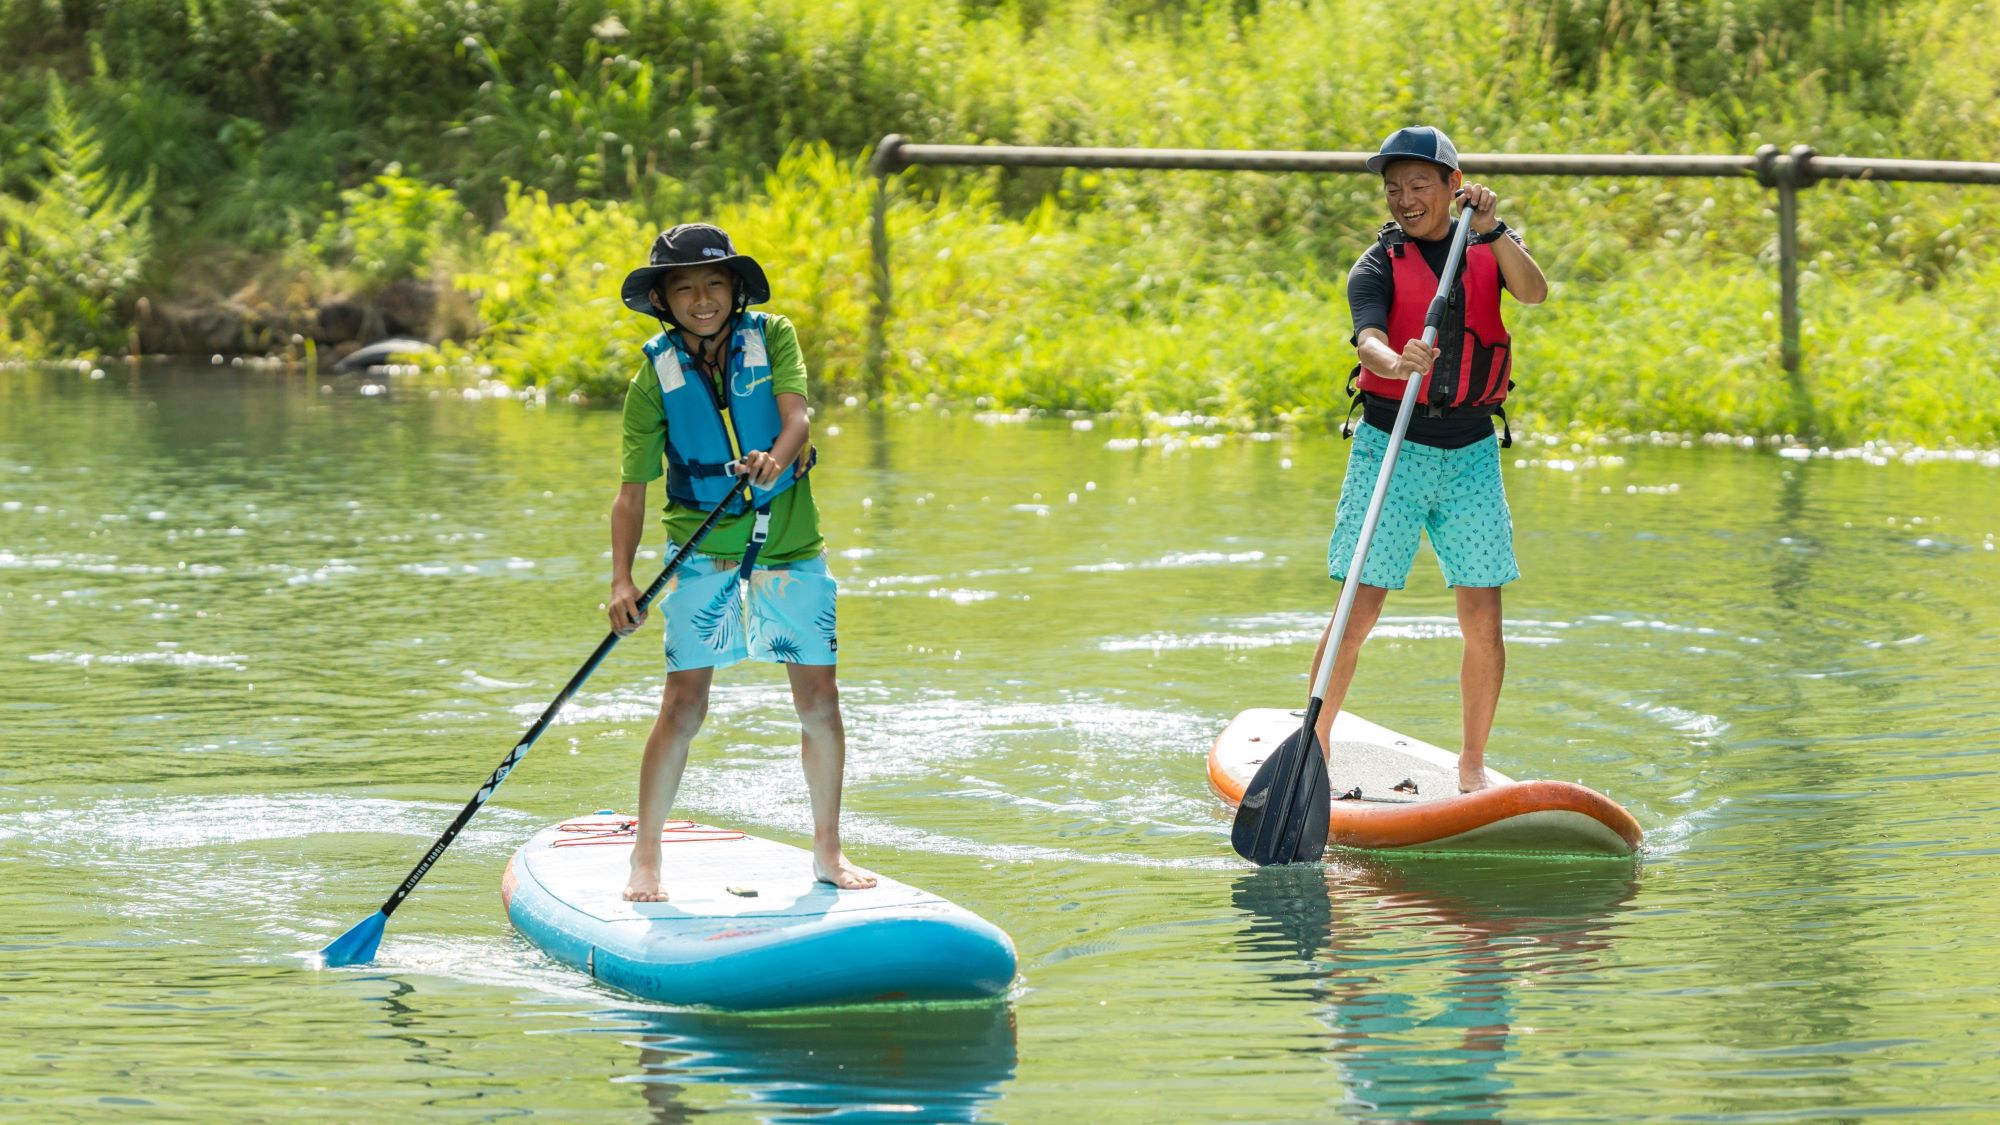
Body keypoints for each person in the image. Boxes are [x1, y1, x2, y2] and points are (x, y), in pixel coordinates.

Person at [608, 223, 876, 901]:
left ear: (735, 289)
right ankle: (646, 857)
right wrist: (621, 580)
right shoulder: (653, 378)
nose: (703, 298)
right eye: (686, 288)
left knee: (820, 700)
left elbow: (798, 418)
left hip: (790, 543)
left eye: (714, 283)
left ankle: (828, 850)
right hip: (703, 547)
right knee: (685, 704)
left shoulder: (774, 334)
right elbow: (629, 495)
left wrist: (774, 461)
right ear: (664, 300)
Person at [1310, 126, 1549, 793]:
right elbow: (1368, 342)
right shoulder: (1378, 264)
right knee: (1358, 611)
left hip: (1471, 450)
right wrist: (1397, 358)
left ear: (1453, 183)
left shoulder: (1488, 243)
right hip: (1391, 445)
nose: (1406, 198)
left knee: (1483, 620)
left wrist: (1498, 230)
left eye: (1420, 185)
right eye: (1394, 188)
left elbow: (1533, 293)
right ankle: (1315, 748)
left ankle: (1471, 765)